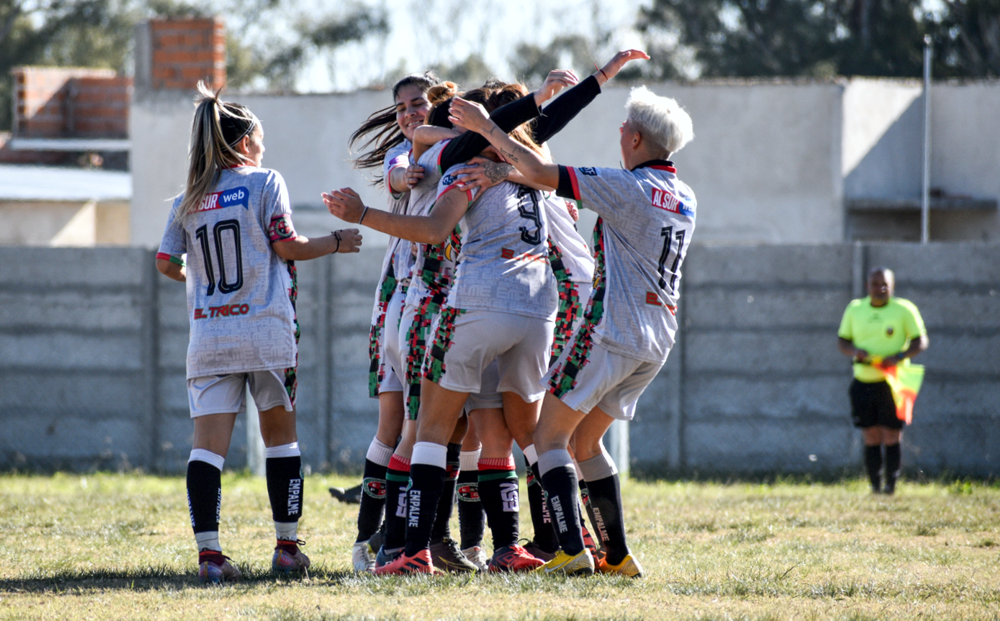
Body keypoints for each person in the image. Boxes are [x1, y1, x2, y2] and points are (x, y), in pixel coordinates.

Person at [448, 50, 695, 577]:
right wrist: (503, 166)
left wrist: (484, 126)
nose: (618, 133)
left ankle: (568, 549)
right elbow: (534, 175)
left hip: (610, 330)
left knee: (547, 439)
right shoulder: (684, 195)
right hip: (657, 338)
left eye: (623, 126)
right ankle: (617, 554)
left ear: (634, 140)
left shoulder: (626, 187)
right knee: (585, 442)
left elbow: (538, 169)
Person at [156, 82, 362, 583]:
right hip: (266, 331)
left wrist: (201, 285)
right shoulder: (265, 181)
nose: (263, 146)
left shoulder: (188, 198)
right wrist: (337, 241)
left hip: (209, 336)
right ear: (245, 141)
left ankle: (209, 556)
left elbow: (166, 262)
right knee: (281, 442)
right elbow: (287, 246)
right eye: (260, 138)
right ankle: (287, 549)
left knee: (206, 449)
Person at [341, 71, 440, 572]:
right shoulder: (405, 155)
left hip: (428, 301)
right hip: (403, 302)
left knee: (430, 429)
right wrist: (403, 177)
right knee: (402, 427)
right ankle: (376, 542)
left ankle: (416, 540)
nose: (408, 114)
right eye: (401, 107)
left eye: (417, 103)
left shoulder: (455, 149)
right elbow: (399, 168)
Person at [837, 267, 929, 495]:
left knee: (892, 434)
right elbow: (842, 342)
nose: (881, 288)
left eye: (885, 284)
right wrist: (856, 352)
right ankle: (875, 485)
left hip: (894, 384)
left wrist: (898, 356)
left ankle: (891, 485)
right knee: (870, 435)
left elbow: (921, 341)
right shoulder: (855, 309)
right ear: (868, 286)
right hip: (864, 381)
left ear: (892, 286)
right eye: (876, 284)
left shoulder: (904, 309)